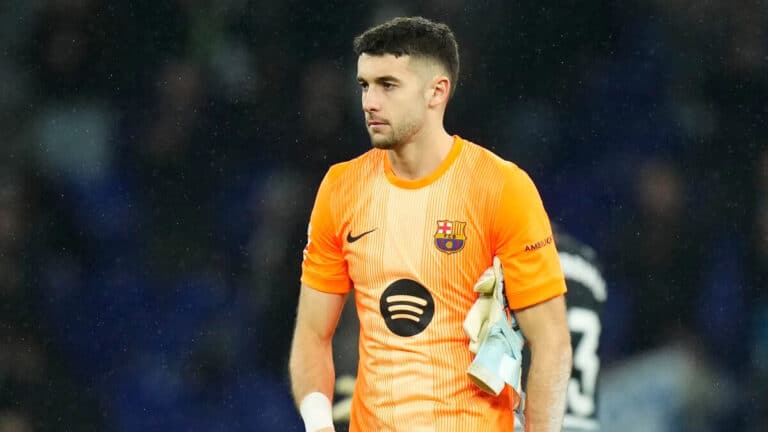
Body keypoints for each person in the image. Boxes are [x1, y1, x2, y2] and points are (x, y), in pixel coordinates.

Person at [289, 16, 571, 432]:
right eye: (364, 85)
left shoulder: (500, 187)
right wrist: (319, 424)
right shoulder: (340, 188)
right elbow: (313, 335)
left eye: (388, 85)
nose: (369, 102)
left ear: (437, 92)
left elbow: (551, 342)